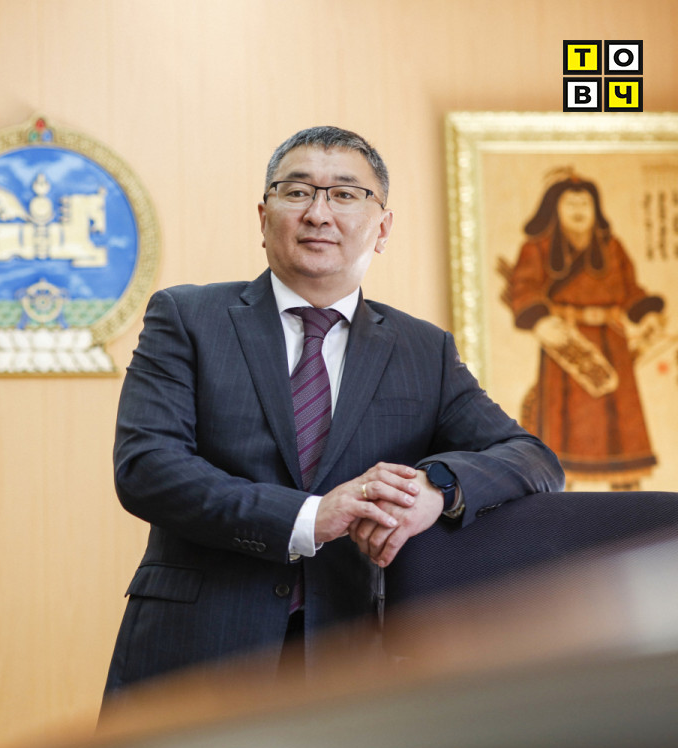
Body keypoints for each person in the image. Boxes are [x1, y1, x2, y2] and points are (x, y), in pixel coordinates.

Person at [103, 126, 564, 697]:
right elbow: (147, 468)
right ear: (263, 217)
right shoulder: (187, 317)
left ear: (383, 228)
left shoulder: (423, 350)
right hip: (195, 652)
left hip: (351, 660)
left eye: (345, 194)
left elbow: (533, 459)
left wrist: (434, 488)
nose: (318, 213)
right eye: (297, 192)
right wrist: (310, 517)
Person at [505, 172, 666, 491]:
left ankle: (630, 500)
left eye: (585, 204)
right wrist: (541, 321)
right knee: (565, 427)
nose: (579, 210)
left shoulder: (612, 247)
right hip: (565, 343)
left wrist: (646, 314)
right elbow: (524, 289)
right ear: (556, 208)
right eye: (571, 203)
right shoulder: (537, 248)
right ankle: (562, 497)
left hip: (612, 344)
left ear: (596, 209)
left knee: (619, 425)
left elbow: (630, 289)